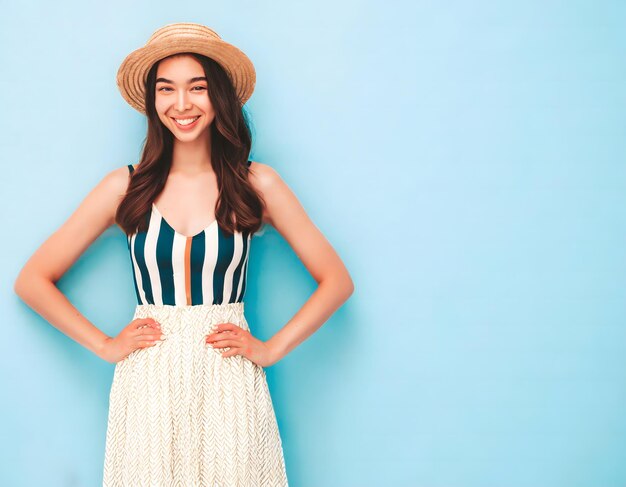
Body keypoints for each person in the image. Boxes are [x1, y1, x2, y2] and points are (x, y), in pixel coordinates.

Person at [13, 22, 354, 486]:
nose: (182, 104)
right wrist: (105, 345)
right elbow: (32, 280)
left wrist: (270, 349)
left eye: (198, 88)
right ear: (153, 102)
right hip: (149, 378)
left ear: (219, 96)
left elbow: (337, 280)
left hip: (229, 377)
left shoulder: (258, 184)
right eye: (166, 89)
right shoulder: (125, 187)